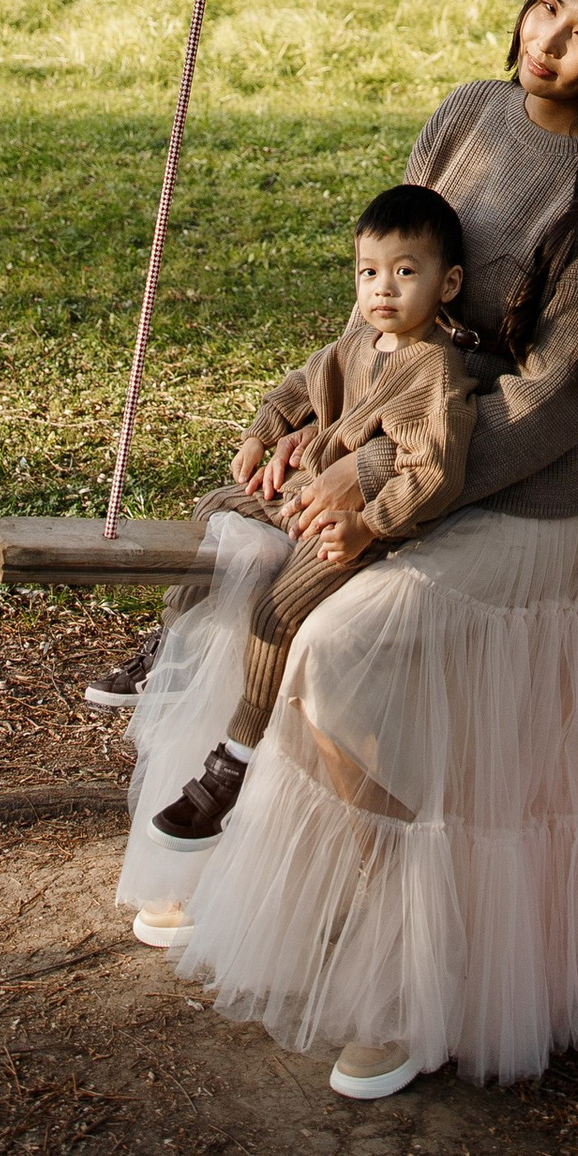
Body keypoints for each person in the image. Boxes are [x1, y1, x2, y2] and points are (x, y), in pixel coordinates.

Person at [112, 0, 578, 1101]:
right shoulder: (468, 115)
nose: (548, 41)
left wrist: (380, 488)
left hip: (523, 506)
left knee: (343, 649)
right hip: (404, 459)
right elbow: (387, 301)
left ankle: (412, 972)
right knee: (246, 558)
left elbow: (546, 407)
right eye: (546, 8)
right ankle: (233, 868)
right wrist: (320, 430)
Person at [146, 185, 478, 855]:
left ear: (448, 284)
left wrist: (370, 525)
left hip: (354, 529)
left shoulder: (435, 374)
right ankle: (168, 648)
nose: (383, 289)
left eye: (405, 272)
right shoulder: (360, 345)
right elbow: (299, 385)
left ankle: (232, 761)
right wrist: (260, 433)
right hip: (303, 494)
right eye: (369, 272)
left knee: (278, 612)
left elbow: (435, 473)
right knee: (215, 509)